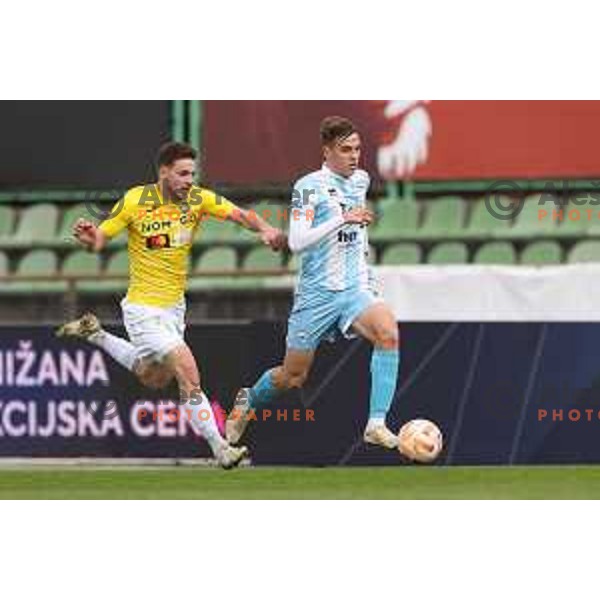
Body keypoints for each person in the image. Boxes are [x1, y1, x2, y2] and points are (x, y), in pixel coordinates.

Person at [56, 141, 286, 469]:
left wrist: (264, 228)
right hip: (142, 308)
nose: (189, 180)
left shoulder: (197, 199)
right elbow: (102, 237)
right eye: (182, 173)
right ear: (163, 173)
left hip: (174, 309)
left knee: (154, 377)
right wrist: (91, 237)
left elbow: (239, 214)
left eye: (192, 173)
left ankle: (96, 335)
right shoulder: (137, 200)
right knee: (188, 371)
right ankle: (221, 447)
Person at [226, 116, 403, 452]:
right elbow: (297, 242)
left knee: (388, 332)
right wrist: (342, 218)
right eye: (346, 150)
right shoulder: (308, 187)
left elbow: (354, 231)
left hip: (354, 288)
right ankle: (248, 401)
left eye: (358, 149)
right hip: (316, 294)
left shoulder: (361, 179)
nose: (354, 156)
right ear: (327, 152)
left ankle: (376, 424)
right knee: (293, 377)